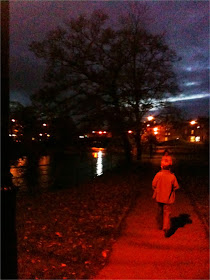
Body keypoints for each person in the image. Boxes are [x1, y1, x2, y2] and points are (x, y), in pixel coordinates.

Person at [152, 164, 179, 237]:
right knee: (167, 213)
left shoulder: (158, 175)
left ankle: (160, 225)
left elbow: (154, 184)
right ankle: (166, 227)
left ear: (162, 168)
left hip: (159, 197)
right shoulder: (172, 176)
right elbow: (176, 186)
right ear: (169, 169)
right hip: (168, 198)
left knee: (160, 211)